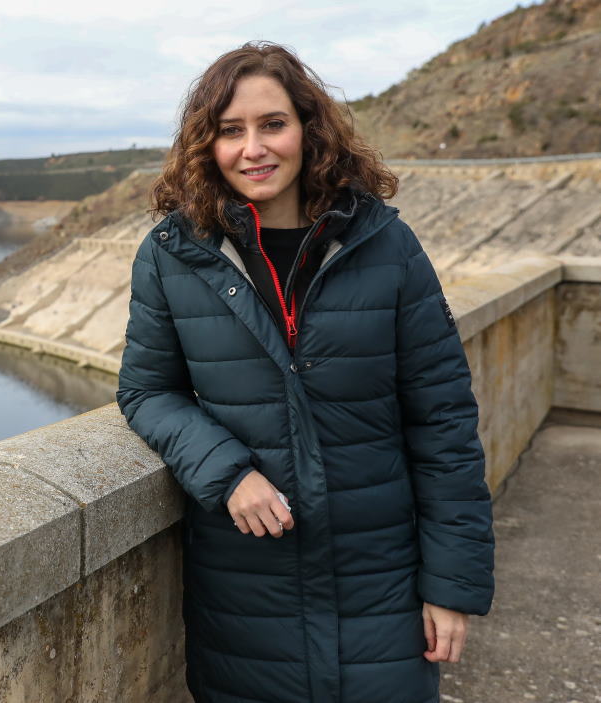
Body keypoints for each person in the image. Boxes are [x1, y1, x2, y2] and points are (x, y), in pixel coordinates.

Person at [116, 42, 495, 703]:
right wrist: (226, 470)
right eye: (230, 131)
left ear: (307, 127)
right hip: (246, 597)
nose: (253, 148)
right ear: (206, 145)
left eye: (272, 124)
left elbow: (443, 423)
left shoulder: (385, 246)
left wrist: (450, 584)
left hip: (382, 584)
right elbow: (147, 390)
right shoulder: (173, 255)